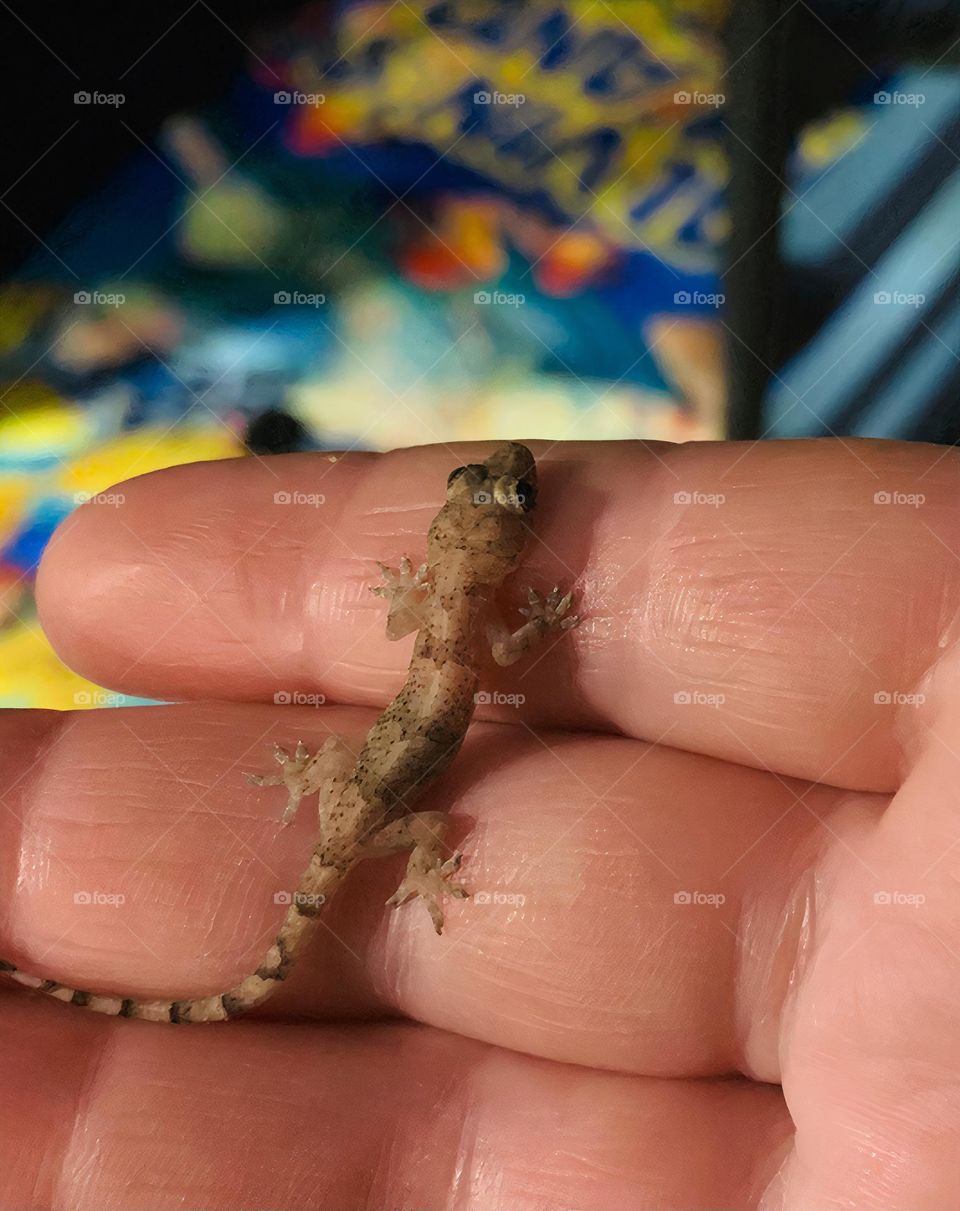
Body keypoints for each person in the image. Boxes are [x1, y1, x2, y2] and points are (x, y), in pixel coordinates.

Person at [2, 437, 957, 1209]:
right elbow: (508, 649)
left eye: (500, 495)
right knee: (410, 833)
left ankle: (197, 954)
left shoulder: (430, 619)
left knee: (362, 790)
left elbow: (419, 635)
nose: (501, 475)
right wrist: (426, 848)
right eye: (483, 487)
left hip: (356, 786)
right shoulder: (474, 632)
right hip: (381, 805)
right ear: (472, 541)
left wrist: (397, 651)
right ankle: (225, 975)